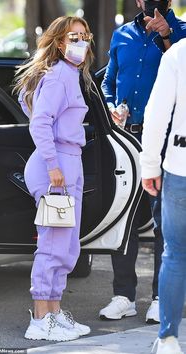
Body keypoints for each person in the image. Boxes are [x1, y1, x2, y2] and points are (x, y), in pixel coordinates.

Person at [100, 0, 186, 324]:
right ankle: (123, 295)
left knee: (165, 221)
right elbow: (108, 81)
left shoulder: (182, 34)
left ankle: (160, 296)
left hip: (165, 144)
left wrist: (167, 35)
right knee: (122, 219)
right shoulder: (121, 34)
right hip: (126, 140)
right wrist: (110, 105)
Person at [13, 16, 94, 342]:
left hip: (68, 162)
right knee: (53, 244)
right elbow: (40, 123)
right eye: (74, 36)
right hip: (56, 165)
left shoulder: (69, 75)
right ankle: (40, 318)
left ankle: (55, 313)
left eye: (84, 36)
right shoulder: (60, 75)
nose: (81, 41)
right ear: (59, 42)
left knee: (67, 244)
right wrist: (53, 165)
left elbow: (29, 105)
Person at [140, 38, 186, 354]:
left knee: (175, 254)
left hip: (180, 166)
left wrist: (149, 165)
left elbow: (156, 115)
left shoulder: (178, 54)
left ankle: (168, 338)